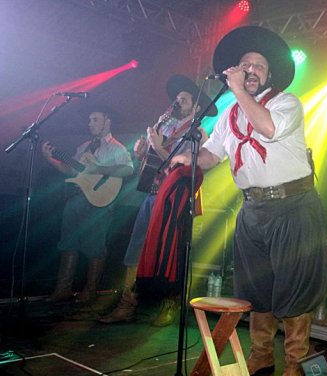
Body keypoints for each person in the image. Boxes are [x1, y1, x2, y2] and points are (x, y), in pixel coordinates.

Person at [171, 26, 327, 376]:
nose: (251, 71)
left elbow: (268, 128)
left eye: (258, 66)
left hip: (292, 205)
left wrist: (239, 91)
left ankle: (295, 364)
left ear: (269, 75)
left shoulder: (286, 103)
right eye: (245, 65)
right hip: (253, 208)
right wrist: (186, 159)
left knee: (294, 286)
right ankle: (262, 354)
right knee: (255, 288)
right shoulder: (228, 114)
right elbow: (212, 155)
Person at [99, 75, 212, 326]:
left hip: (175, 199)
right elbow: (153, 163)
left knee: (171, 251)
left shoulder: (198, 133)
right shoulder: (166, 128)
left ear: (195, 107)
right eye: (176, 99)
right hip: (152, 193)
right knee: (136, 248)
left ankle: (169, 304)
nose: (177, 102)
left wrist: (158, 147)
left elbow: (184, 168)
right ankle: (127, 304)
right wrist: (143, 152)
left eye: (184, 99)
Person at [42, 105, 134, 304]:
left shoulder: (116, 147)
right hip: (77, 198)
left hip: (100, 201)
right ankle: (63, 289)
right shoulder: (84, 147)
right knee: (68, 242)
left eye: (95, 119)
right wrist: (50, 159)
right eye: (89, 120)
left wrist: (99, 169)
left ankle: (90, 291)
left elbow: (128, 169)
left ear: (107, 121)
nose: (90, 123)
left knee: (95, 246)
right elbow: (72, 170)